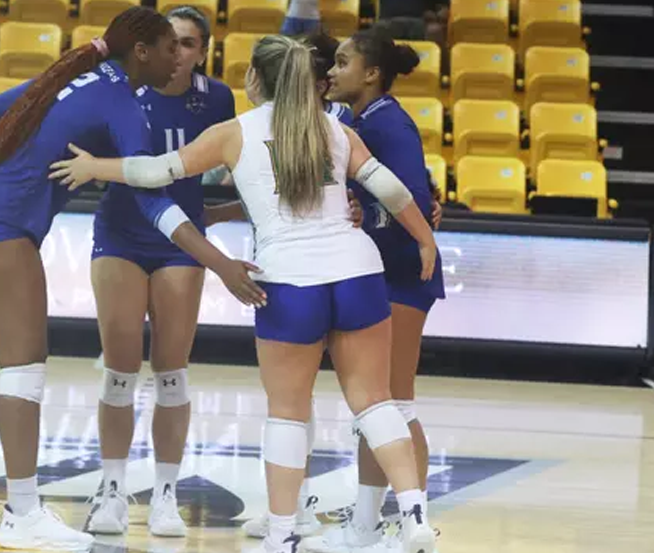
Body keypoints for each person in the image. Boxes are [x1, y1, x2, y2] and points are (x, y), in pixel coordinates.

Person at [0, 7, 265, 552]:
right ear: (141, 52)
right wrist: (221, 263)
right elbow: (154, 201)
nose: (176, 59)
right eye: (168, 48)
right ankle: (22, 514)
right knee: (25, 366)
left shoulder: (80, 71)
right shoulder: (125, 106)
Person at [49, 34, 439, 553]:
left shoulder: (234, 132)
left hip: (289, 279)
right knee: (375, 403)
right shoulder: (335, 127)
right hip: (357, 270)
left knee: (288, 412)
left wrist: (95, 167)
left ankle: (281, 536)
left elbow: (154, 171)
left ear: (256, 79)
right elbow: (390, 187)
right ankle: (414, 517)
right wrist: (425, 238)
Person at [83, 6, 235, 539]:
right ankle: (111, 489)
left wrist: (230, 212)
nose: (179, 51)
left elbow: (243, 168)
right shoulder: (125, 89)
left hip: (181, 242)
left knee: (171, 370)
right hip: (121, 235)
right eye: (172, 41)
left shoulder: (217, 100)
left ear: (204, 51)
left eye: (189, 43)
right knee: (120, 368)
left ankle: (166, 495)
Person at [202, 29, 355, 540]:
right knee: (311, 401)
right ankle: (301, 508)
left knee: (301, 403)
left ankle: (298, 514)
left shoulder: (324, 123)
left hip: (304, 273)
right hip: (342, 270)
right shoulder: (319, 122)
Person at [305, 27, 446, 553]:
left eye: (342, 63)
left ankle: (414, 525)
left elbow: (411, 199)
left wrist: (374, 221)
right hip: (378, 273)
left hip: (403, 274)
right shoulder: (356, 120)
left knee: (395, 404)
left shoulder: (390, 122)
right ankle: (365, 525)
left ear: (371, 74)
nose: (332, 71)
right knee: (376, 406)